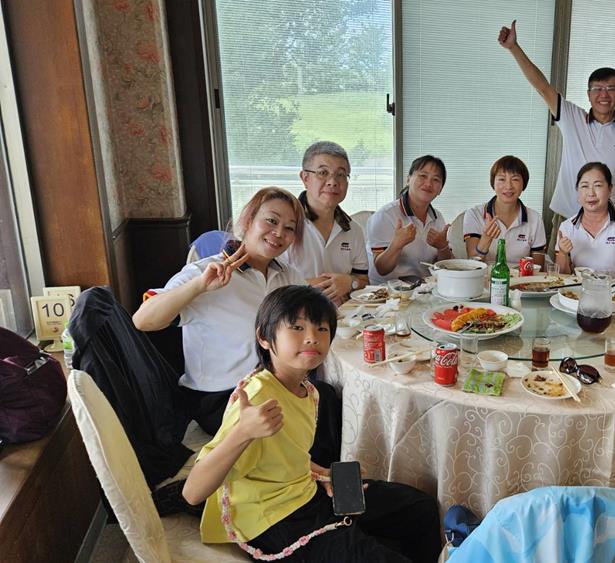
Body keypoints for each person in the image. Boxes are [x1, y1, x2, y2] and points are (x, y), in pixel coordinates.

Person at [182, 285, 442, 562]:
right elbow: (193, 492)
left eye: (321, 329)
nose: (311, 338)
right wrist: (242, 433)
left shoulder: (308, 390)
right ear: (264, 338)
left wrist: (322, 473)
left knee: (421, 507)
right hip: (272, 518)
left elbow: (285, 453)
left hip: (306, 491)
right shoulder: (257, 398)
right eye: (296, 327)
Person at [133, 187, 306, 435]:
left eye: (289, 228)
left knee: (328, 402)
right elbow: (143, 320)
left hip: (273, 388)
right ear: (248, 220)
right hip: (218, 397)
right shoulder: (205, 272)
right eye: (271, 221)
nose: (279, 233)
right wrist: (199, 286)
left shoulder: (289, 276)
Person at [497, 20, 615, 228]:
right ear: (588, 94)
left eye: (611, 89)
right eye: (597, 89)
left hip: (609, 220)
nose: (604, 95)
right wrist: (514, 48)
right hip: (567, 216)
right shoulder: (572, 117)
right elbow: (542, 87)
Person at [287, 141, 369, 305]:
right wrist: (309, 286)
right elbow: (264, 283)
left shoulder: (354, 230)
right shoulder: (285, 226)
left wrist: (350, 283)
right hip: (292, 314)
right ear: (305, 178)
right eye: (323, 173)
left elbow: (363, 280)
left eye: (341, 174)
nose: (333, 182)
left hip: (344, 316)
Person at [367, 155, 453, 284]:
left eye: (436, 179)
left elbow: (444, 266)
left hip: (424, 289)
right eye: (423, 176)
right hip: (388, 291)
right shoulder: (385, 215)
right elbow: (381, 269)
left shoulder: (438, 217)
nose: (428, 184)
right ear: (408, 179)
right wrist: (396, 245)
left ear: (440, 189)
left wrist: (443, 247)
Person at [556, 162, 615, 280]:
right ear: (577, 191)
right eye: (584, 186)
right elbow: (561, 277)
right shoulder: (566, 227)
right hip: (577, 290)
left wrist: (602, 288)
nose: (591, 193)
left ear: (610, 189)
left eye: (598, 185)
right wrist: (563, 253)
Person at [463, 155, 547, 266]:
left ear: (523, 184)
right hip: (486, 275)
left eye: (515, 179)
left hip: (521, 276)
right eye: (502, 179)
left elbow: (538, 267)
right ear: (493, 183)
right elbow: (472, 263)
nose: (508, 186)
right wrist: (485, 240)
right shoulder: (474, 214)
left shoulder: (535, 219)